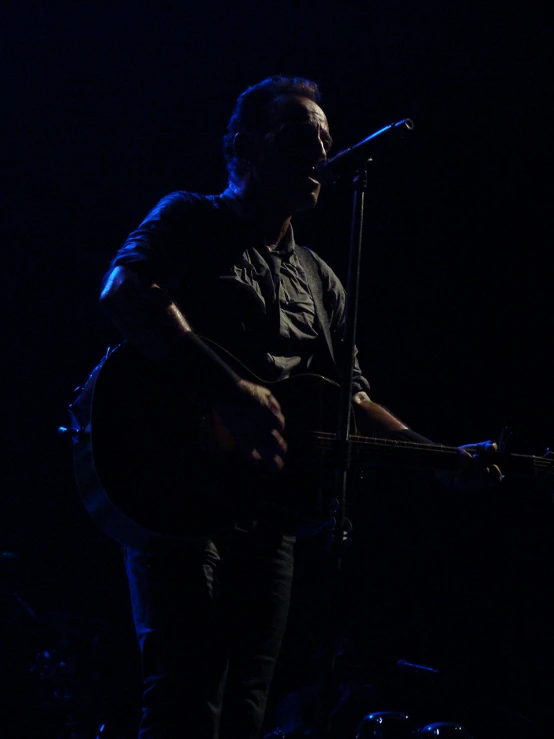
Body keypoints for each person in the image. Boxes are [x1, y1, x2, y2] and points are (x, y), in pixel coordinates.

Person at [99, 75, 499, 739]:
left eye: (327, 138)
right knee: (185, 691)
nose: (321, 146)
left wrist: (437, 455)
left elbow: (354, 397)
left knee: (249, 697)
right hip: (175, 488)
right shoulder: (190, 219)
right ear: (246, 146)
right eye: (302, 133)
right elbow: (125, 290)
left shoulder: (321, 279)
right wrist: (227, 384)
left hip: (268, 510)